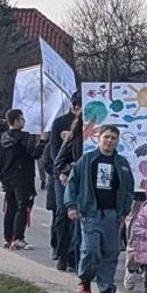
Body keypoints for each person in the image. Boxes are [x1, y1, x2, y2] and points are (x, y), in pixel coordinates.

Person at [65, 124, 135, 293]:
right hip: (90, 213)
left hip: (112, 214)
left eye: (113, 138)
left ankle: (107, 290)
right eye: (106, 137)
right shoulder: (87, 160)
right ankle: (85, 279)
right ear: (99, 138)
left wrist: (124, 210)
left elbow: (128, 189)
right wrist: (71, 205)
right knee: (90, 249)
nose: (109, 141)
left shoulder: (121, 163)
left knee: (110, 252)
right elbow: (72, 183)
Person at [0, 109, 41, 250]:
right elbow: (34, 153)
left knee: (10, 207)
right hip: (22, 177)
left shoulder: (3, 137)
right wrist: (43, 141)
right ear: (15, 121)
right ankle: (18, 238)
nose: (24, 121)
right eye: (22, 119)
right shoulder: (24, 137)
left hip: (7, 177)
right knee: (23, 207)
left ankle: (7, 237)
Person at [47, 92, 82, 264]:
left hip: (81, 174)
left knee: (78, 214)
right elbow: (55, 152)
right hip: (62, 174)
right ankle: (61, 252)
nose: (77, 108)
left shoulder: (91, 124)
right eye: (76, 104)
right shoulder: (60, 123)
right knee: (62, 211)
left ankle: (73, 253)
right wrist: (62, 172)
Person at [53, 112, 85, 272]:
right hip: (72, 183)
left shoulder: (104, 138)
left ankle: (76, 257)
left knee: (81, 223)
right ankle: (63, 255)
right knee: (65, 217)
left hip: (90, 187)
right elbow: (58, 163)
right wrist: (69, 171)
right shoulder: (73, 138)